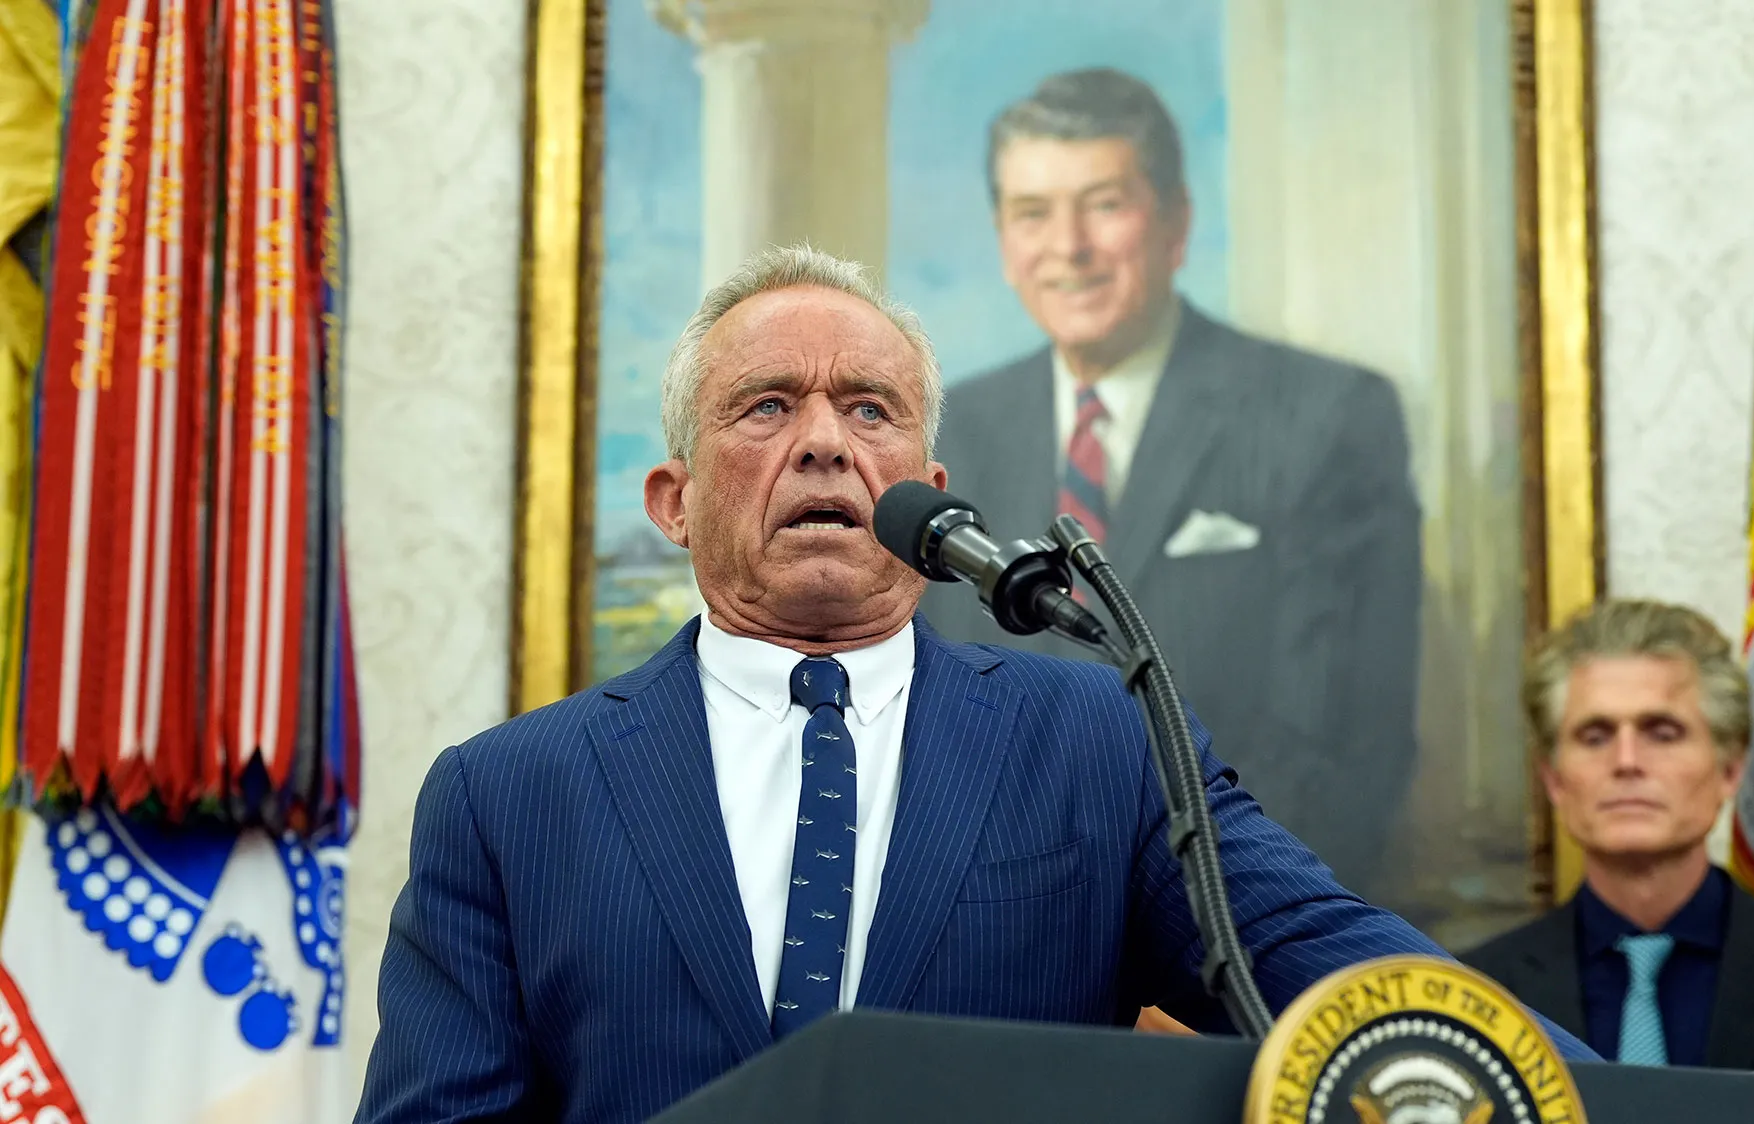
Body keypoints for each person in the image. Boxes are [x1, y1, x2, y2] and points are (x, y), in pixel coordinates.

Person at [353, 246, 1590, 1124]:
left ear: (926, 479)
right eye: (768, 405)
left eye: (869, 408)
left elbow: (1339, 971)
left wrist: (1652, 1107)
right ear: (673, 501)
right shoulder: (507, 795)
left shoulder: (1089, 738)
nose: (827, 439)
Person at [920, 68, 1419, 898]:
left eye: (1105, 204)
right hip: (1002, 948)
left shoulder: (1326, 416)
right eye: (1033, 213)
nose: (1069, 245)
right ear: (1004, 238)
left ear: (1176, 224)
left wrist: (1201, 957)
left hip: (1234, 946)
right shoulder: (948, 432)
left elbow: (1347, 746)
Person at [1463, 599, 1754, 1068]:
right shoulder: (1481, 991)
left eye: (1662, 733)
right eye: (1595, 736)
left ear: (1730, 769)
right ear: (1553, 779)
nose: (1627, 761)